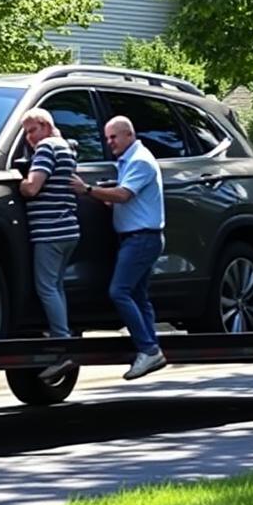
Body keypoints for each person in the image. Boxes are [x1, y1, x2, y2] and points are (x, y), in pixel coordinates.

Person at [70, 115, 166, 381]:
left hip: (141, 239)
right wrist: (107, 198)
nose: (108, 142)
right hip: (139, 237)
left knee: (119, 291)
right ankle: (151, 346)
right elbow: (128, 200)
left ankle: (148, 349)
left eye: (113, 137)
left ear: (128, 135)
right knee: (138, 295)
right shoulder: (129, 160)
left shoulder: (140, 161)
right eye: (107, 137)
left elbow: (124, 195)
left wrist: (87, 190)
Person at [17, 108, 81, 383]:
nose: (29, 138)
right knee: (55, 286)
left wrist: (19, 182)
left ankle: (62, 346)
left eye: (31, 130)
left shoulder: (45, 149)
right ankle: (63, 336)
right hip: (68, 229)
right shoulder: (65, 148)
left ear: (44, 126)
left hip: (50, 231)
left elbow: (32, 188)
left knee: (46, 287)